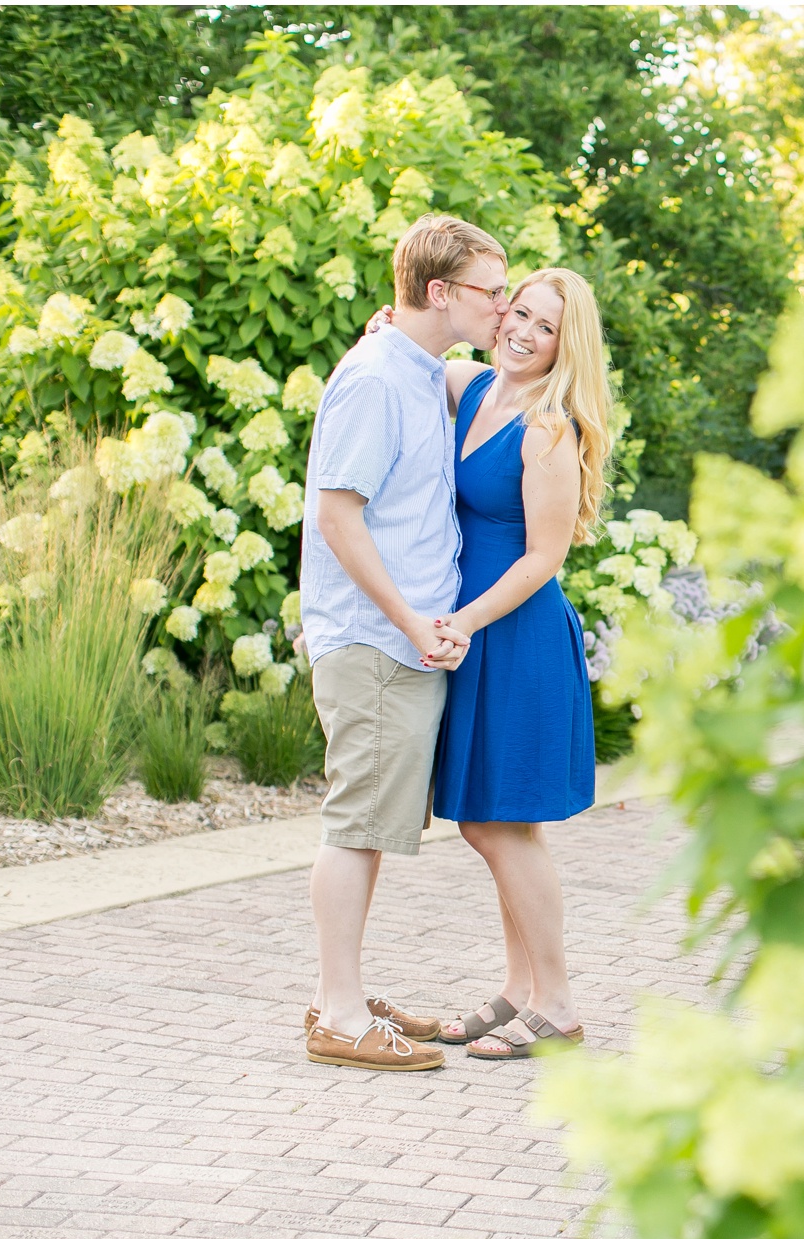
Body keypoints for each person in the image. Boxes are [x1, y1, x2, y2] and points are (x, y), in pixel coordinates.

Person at [297, 214, 511, 1072]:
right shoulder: (380, 379)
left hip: (402, 641)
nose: (502, 306)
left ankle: (340, 993)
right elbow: (338, 516)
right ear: (439, 292)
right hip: (378, 640)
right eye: (491, 292)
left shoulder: (417, 367)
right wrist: (409, 619)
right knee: (355, 824)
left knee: (372, 823)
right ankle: (342, 1015)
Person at [392, 267, 616, 1060]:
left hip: (512, 636)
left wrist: (461, 621)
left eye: (544, 326)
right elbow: (407, 348)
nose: (522, 331)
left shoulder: (551, 427)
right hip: (473, 632)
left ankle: (557, 1004)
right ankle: (520, 990)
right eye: (518, 311)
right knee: (492, 822)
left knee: (498, 823)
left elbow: (543, 558)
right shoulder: (476, 387)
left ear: (566, 345)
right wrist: (393, 322)